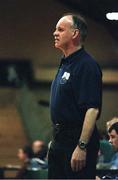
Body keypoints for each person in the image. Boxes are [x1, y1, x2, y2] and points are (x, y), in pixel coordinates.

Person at [48, 12, 102, 179]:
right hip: (60, 140)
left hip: (77, 141)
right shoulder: (65, 62)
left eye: (60, 29)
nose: (54, 33)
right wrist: (55, 141)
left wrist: (82, 146)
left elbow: (92, 109)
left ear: (75, 33)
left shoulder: (87, 65)